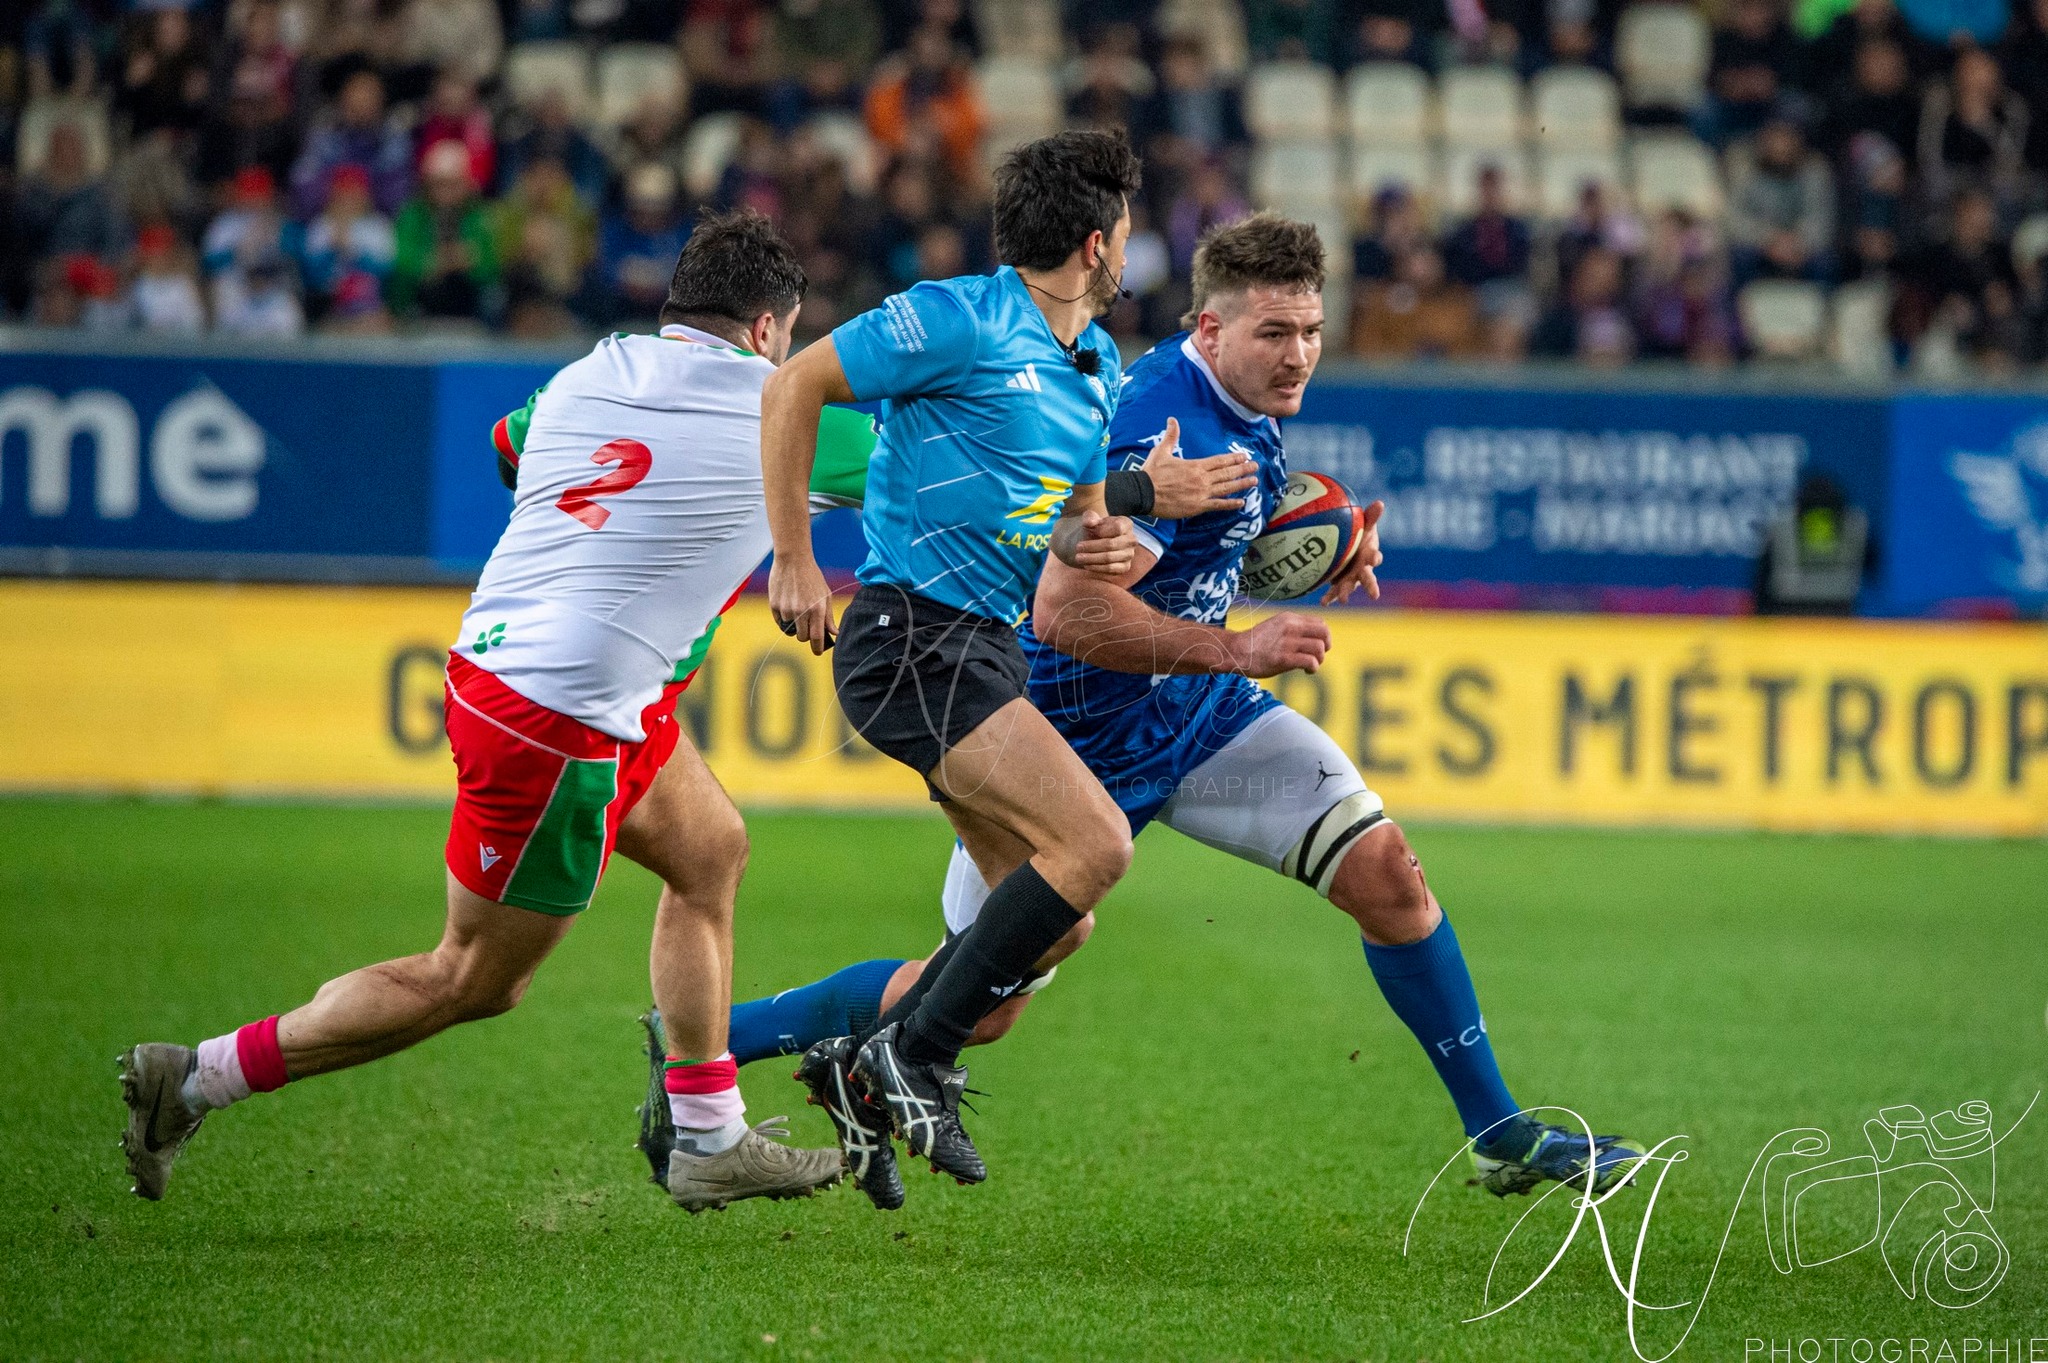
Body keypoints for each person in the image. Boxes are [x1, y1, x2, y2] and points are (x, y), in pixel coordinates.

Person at [652, 213, 1649, 1210]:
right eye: (1273, 333)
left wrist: (1327, 546)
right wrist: (1239, 646)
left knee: (1387, 872)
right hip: (1062, 734)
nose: (1297, 353)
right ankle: (708, 1043)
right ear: (1207, 331)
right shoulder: (1145, 415)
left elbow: (1217, 549)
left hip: (1194, 715)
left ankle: (1498, 1132)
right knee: (978, 1001)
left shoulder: (1249, 403)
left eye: (1308, 329)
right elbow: (1065, 610)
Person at [118, 210, 845, 1214]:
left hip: (545, 685)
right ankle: (194, 1077)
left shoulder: (590, 371)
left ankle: (707, 1132)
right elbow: (940, 477)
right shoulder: (780, 404)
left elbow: (510, 448)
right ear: (771, 329)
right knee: (471, 978)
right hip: (558, 718)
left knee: (709, 848)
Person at [755, 129, 1260, 1202]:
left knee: (1055, 920)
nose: (1132, 246)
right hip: (908, 639)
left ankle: (851, 1067)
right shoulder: (957, 316)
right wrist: (794, 558)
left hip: (982, 649)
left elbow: (1060, 526)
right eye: (1124, 228)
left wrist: (1114, 530)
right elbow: (791, 387)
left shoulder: (1094, 366)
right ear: (1095, 241)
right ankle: (910, 1056)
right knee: (1096, 842)